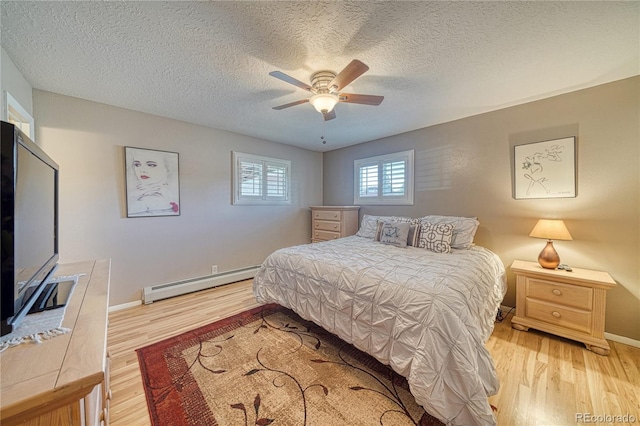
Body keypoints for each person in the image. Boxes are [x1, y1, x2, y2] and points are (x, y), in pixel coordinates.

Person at [127, 148, 179, 216]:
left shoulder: (164, 195)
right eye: (137, 165)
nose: (142, 170)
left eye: (151, 165)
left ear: (167, 169)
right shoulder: (136, 191)